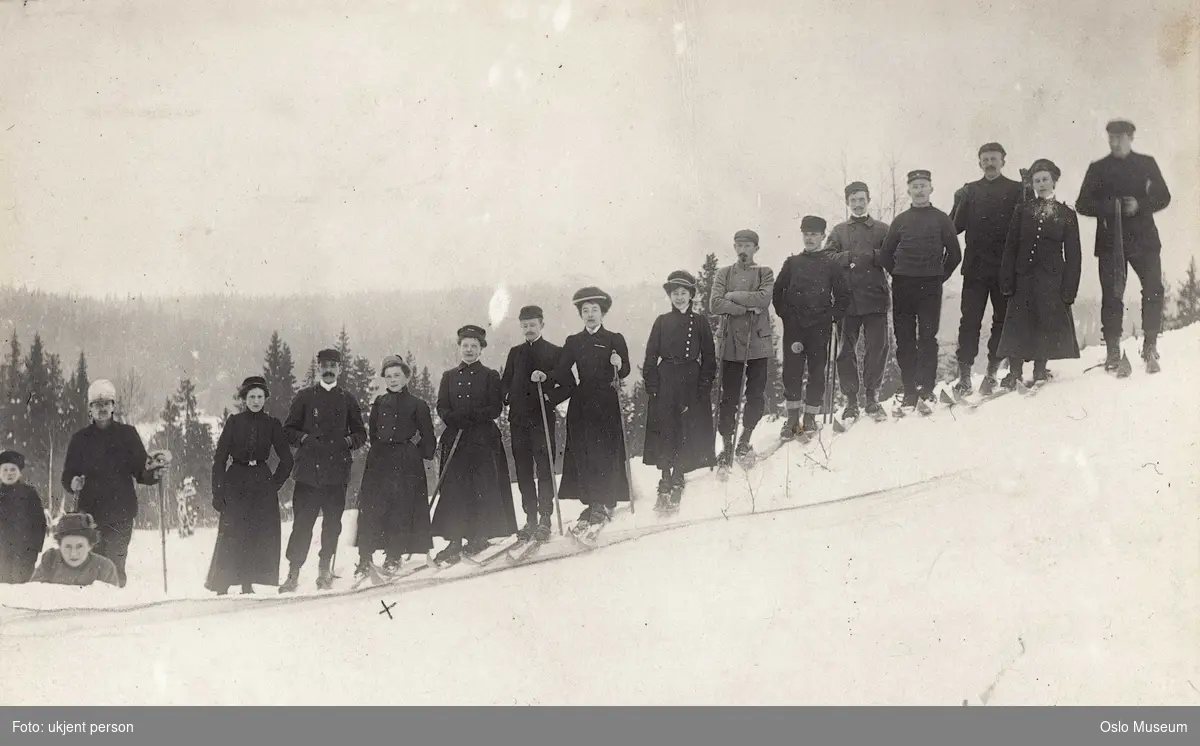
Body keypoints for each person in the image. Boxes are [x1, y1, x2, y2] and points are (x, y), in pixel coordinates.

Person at [1075, 119, 1173, 373]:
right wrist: (1112, 207)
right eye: (1111, 139)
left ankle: (1150, 344)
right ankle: (1113, 349)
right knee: (1112, 295)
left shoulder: (1146, 163)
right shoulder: (1098, 169)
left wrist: (1140, 204)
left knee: (1153, 288)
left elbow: (1164, 196)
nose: (1114, 143)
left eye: (1119, 138)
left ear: (1131, 138)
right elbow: (1082, 204)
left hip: (1144, 240)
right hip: (1110, 241)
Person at [61, 379, 169, 587]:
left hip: (121, 512)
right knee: (93, 567)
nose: (102, 409)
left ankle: (116, 612)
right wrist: (73, 482)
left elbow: (141, 470)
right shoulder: (80, 439)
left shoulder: (127, 435)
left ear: (113, 407)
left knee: (114, 565)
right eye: (96, 405)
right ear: (90, 409)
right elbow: (68, 475)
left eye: (106, 404)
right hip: (90, 515)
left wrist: (155, 474)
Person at [280, 348, 368, 592]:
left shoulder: (347, 399)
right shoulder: (304, 397)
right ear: (318, 368)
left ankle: (324, 569)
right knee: (302, 525)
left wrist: (348, 442)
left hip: (336, 475)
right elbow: (288, 431)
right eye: (324, 365)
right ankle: (293, 572)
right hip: (308, 474)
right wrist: (306, 439)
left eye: (333, 365)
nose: (328, 370)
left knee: (332, 524)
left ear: (340, 369)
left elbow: (361, 434)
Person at [548, 287, 633, 535]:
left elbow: (625, 370)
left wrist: (620, 364)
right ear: (580, 314)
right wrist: (547, 377)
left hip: (606, 400)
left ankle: (602, 502)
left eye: (594, 309)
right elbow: (562, 368)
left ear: (602, 312)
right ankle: (592, 502)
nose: (590, 314)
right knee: (584, 454)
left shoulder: (614, 339)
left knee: (604, 453)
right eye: (585, 310)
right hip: (582, 402)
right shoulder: (574, 341)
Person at [431, 326, 518, 565]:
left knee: (481, 487)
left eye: (474, 346)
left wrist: (473, 416)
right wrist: (454, 417)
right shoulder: (449, 376)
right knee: (455, 491)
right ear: (459, 348)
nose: (469, 350)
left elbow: (495, 407)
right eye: (465, 346)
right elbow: (441, 405)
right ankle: (455, 539)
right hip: (456, 439)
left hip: (482, 440)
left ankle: (480, 536)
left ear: (481, 349)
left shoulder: (490, 376)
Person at [879, 170, 963, 414]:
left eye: (923, 185)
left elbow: (955, 255)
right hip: (903, 287)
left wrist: (938, 276)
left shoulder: (941, 219)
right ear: (909, 191)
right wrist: (901, 274)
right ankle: (909, 390)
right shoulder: (901, 220)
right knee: (905, 340)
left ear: (931, 189)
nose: (919, 190)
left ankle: (926, 388)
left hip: (930, 287)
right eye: (915, 186)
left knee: (928, 338)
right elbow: (885, 254)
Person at [995, 159, 1082, 385]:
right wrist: (1007, 278)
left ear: (1054, 182)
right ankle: (1014, 372)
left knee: (1044, 322)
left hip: (1051, 279)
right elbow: (1011, 246)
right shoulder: (1022, 211)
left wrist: (1069, 288)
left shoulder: (1066, 214)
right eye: (1037, 181)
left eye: (1045, 180)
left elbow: (1074, 256)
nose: (1041, 184)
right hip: (1023, 276)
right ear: (1032, 184)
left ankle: (1040, 370)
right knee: (1018, 323)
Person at [205, 376, 295, 596]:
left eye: (260, 397)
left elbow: (287, 459)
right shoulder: (234, 422)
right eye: (251, 396)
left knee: (255, 532)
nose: (256, 401)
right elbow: (219, 459)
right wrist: (218, 492)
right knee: (232, 532)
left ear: (265, 399)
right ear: (244, 399)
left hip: (261, 482)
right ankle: (223, 584)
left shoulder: (272, 424)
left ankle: (248, 582)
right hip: (235, 480)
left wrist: (273, 484)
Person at [950, 143, 1025, 395]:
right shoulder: (969, 191)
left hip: (1005, 270)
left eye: (994, 158)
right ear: (979, 162)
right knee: (969, 321)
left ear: (1004, 161)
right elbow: (954, 228)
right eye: (985, 159)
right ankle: (964, 376)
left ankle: (992, 373)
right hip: (975, 269)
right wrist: (958, 201)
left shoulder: (1017, 189)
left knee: (1001, 321)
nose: (989, 163)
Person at [354, 356, 436, 580]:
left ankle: (394, 555)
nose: (392, 380)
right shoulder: (379, 402)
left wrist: (414, 452)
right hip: (379, 460)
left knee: (400, 509)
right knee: (372, 508)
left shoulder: (418, 404)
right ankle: (365, 557)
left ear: (406, 377)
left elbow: (428, 438)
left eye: (397, 375)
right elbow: (372, 432)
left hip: (406, 463)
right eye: (388, 376)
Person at [643, 271, 717, 512]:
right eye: (675, 293)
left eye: (683, 293)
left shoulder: (700, 322)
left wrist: (705, 384)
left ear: (691, 296)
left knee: (686, 426)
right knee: (667, 426)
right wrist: (651, 382)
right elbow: (651, 354)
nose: (679, 297)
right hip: (666, 378)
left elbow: (709, 356)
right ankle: (665, 476)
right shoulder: (662, 321)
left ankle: (679, 474)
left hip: (691, 378)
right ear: (670, 296)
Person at [500, 306, 573, 544]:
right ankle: (530, 517)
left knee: (543, 468)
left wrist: (549, 397)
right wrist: (506, 397)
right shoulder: (515, 352)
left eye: (533, 325)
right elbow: (505, 383)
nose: (528, 329)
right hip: (518, 420)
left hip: (541, 419)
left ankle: (545, 517)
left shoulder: (554, 352)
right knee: (522, 471)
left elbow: (569, 385)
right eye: (524, 326)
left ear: (542, 325)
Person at [773, 216, 851, 438]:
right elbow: (778, 292)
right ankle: (791, 419)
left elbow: (843, 296)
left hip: (820, 327)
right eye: (806, 234)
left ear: (822, 237)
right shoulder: (793, 263)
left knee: (817, 371)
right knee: (792, 371)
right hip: (795, 327)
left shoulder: (831, 264)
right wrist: (786, 315)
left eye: (814, 234)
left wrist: (832, 317)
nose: (810, 238)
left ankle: (809, 418)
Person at [825, 183, 891, 420]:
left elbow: (893, 255)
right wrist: (848, 257)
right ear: (847, 202)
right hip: (847, 300)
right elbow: (827, 257)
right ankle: (851, 401)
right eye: (853, 200)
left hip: (875, 298)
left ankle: (872, 397)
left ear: (868, 200)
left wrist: (873, 255)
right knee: (845, 352)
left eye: (861, 199)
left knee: (877, 348)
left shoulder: (883, 229)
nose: (857, 203)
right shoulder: (839, 231)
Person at [710, 229, 776, 465]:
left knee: (755, 395)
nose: (743, 250)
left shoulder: (765, 272)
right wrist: (745, 307)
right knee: (728, 397)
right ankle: (727, 444)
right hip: (730, 343)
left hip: (757, 341)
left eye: (748, 246)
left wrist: (733, 296)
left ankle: (745, 438)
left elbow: (764, 299)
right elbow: (715, 304)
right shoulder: (724, 273)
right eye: (739, 245)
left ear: (756, 249)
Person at [30, 512, 119, 587]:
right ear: (60, 546)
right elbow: (34, 595)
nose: (73, 554)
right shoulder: (51, 560)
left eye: (80, 546)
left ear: (90, 546)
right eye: (67, 547)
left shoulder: (105, 568)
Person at [0, 450, 47, 584]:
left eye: (13, 470)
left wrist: (36, 548)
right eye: (5, 470)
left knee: (21, 586)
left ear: (20, 472)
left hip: (24, 551)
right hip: (1, 552)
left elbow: (40, 522)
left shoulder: (29, 494)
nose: (9, 473)